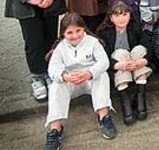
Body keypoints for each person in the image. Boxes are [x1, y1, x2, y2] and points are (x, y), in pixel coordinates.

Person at [44, 13, 116, 150]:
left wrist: (89, 73)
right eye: (70, 32)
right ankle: (55, 129)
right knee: (55, 86)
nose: (75, 35)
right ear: (63, 33)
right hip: (71, 82)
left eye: (78, 31)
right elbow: (53, 68)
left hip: (89, 79)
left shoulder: (93, 42)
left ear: (84, 28)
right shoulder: (60, 47)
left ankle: (104, 117)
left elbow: (104, 62)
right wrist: (64, 76)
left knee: (102, 76)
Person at [97, 1, 152, 125]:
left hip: (135, 64)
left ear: (129, 15)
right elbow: (101, 57)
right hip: (119, 67)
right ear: (111, 17)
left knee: (139, 49)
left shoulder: (135, 26)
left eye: (124, 14)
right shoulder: (103, 32)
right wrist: (118, 65)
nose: (121, 19)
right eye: (117, 15)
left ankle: (140, 98)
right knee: (120, 53)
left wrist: (142, 61)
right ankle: (125, 102)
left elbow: (149, 46)